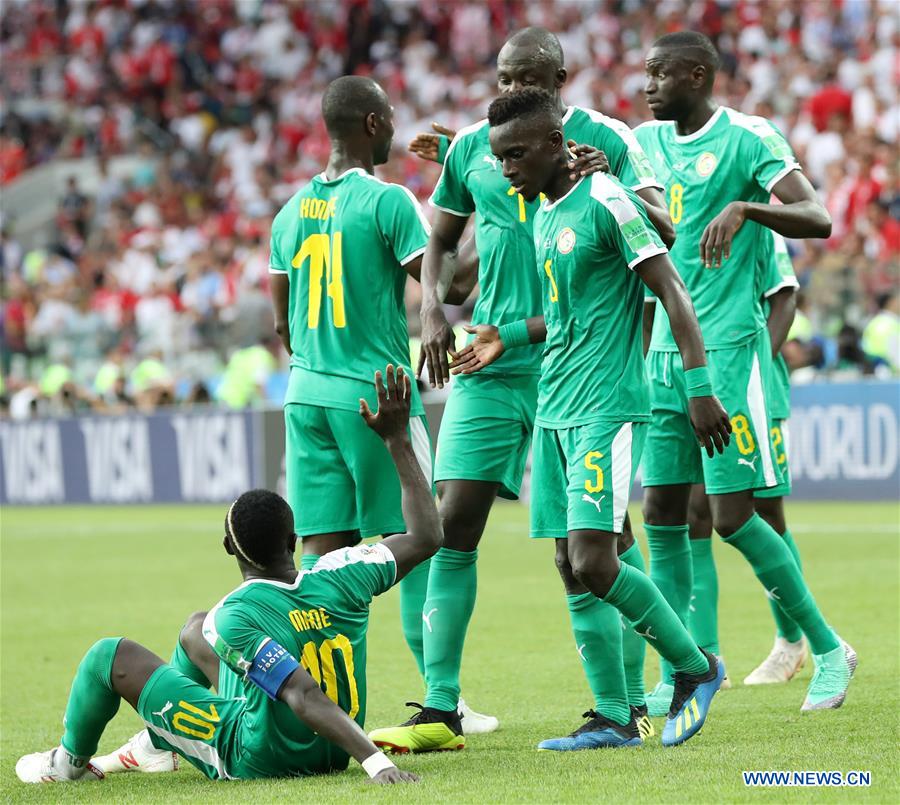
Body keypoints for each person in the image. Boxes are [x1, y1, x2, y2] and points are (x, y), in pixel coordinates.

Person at [370, 26, 670, 754]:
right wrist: (435, 308)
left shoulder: (610, 140)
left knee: (596, 544)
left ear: (562, 77)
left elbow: (662, 230)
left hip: (580, 364)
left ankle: (624, 702)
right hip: (490, 360)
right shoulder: (476, 144)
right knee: (451, 523)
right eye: (503, 76)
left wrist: (618, 182)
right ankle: (442, 706)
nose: (509, 88)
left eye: (527, 76)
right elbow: (440, 235)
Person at [446, 87, 730, 750]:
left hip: (605, 404)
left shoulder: (606, 201)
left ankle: (696, 666)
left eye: (517, 153)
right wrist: (508, 335)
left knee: (596, 559)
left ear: (556, 144)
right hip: (556, 405)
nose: (507, 167)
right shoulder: (544, 215)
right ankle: (614, 715)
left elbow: (672, 288)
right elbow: (571, 316)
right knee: (569, 563)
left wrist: (699, 387)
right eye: (499, 157)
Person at [16, 365, 436, 785]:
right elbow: (425, 535)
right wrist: (397, 440)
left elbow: (301, 693)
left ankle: (67, 765)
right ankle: (154, 747)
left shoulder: (233, 615)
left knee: (108, 656)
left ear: (228, 547)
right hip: (331, 749)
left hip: (260, 756)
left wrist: (378, 763)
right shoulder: (344, 572)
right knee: (195, 628)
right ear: (293, 540)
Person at [634, 31, 855, 715]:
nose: (647, 85)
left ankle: (825, 647)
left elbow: (816, 215)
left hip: (728, 351)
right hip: (662, 353)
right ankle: (687, 668)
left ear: (697, 75)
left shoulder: (748, 138)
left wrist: (747, 206)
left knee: (731, 515)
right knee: (663, 511)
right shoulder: (642, 143)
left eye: (659, 74)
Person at [267, 76, 481, 721]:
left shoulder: (287, 213)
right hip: (375, 398)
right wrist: (480, 207)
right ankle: (443, 702)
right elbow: (450, 280)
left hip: (305, 397)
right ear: (368, 123)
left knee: (318, 559)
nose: (393, 129)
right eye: (387, 118)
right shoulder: (388, 203)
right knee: (417, 539)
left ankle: (312, 704)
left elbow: (281, 325)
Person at [685, 231, 812, 685]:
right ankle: (705, 657)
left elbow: (784, 300)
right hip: (697, 382)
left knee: (765, 513)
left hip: (750, 384)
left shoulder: (758, 224)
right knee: (694, 512)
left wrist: (749, 371)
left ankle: (792, 640)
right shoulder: (681, 209)